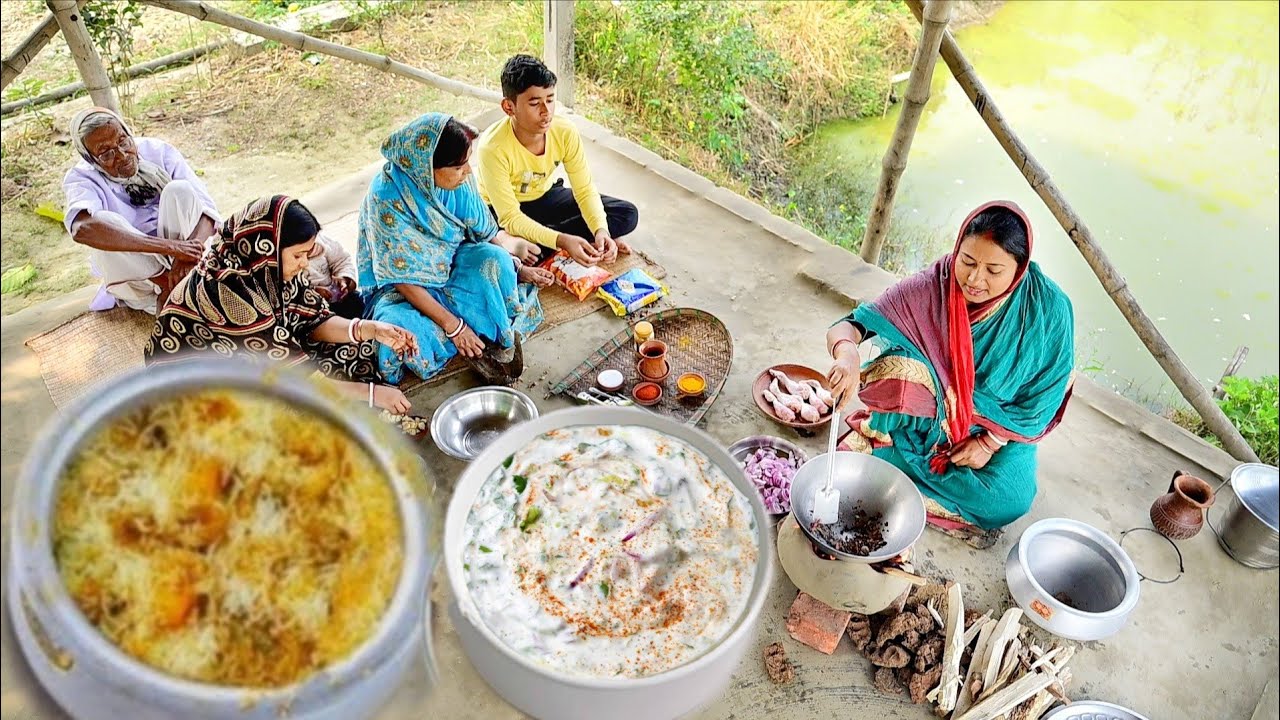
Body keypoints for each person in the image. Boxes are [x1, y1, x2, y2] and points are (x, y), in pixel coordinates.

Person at [826, 201, 1075, 547]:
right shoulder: (934, 286)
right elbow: (851, 326)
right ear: (957, 248)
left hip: (1000, 425)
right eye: (968, 261)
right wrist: (848, 355)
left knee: (1011, 500)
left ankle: (894, 469)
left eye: (993, 270)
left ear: (1019, 270)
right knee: (899, 371)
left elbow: (1045, 396)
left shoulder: (1047, 311)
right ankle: (899, 464)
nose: (975, 279)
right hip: (929, 423)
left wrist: (990, 442)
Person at [145, 195, 418, 414]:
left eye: (307, 254)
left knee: (352, 354)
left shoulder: (268, 267)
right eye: (298, 255)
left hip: (260, 346)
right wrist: (372, 395)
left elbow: (312, 318)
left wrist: (370, 329)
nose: (304, 264)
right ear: (268, 248)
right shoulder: (232, 297)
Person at [357, 112, 549, 385]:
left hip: (453, 264)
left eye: (467, 162)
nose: (468, 172)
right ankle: (468, 328)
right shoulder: (386, 198)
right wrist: (454, 326)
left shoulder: (459, 180)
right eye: (459, 167)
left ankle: (472, 328)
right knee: (397, 332)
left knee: (495, 260)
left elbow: (485, 233)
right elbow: (399, 278)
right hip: (406, 291)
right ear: (426, 167)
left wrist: (518, 269)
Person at [475, 54, 639, 268]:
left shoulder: (564, 132)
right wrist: (562, 240)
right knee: (498, 256)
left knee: (626, 214)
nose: (546, 112)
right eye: (534, 103)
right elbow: (511, 216)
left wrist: (601, 230)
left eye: (550, 100)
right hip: (499, 211)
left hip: (544, 196)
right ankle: (509, 240)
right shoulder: (492, 147)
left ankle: (527, 242)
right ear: (509, 107)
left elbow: (584, 190)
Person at [62, 107, 220, 314]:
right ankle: (170, 286)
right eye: (106, 153)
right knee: (103, 222)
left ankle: (179, 285)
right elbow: (82, 229)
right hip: (143, 278)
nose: (121, 155)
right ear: (90, 159)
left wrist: (186, 254)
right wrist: (171, 248)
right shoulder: (81, 178)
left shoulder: (158, 151)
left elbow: (206, 210)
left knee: (179, 190)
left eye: (123, 141)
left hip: (187, 261)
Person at [304, 231, 363, 319]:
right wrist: (312, 292)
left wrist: (344, 278)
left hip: (339, 296)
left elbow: (341, 260)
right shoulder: (283, 260)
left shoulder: (321, 242)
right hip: (312, 311)